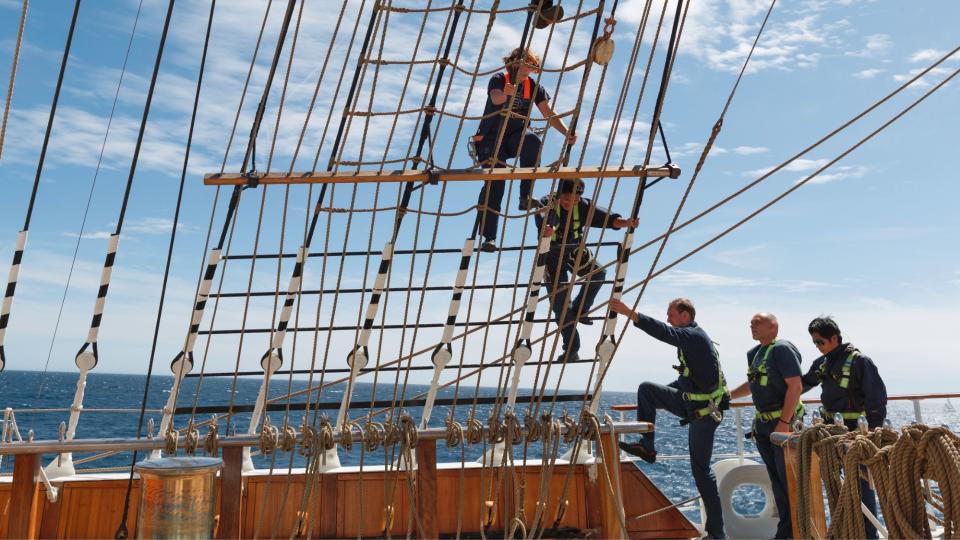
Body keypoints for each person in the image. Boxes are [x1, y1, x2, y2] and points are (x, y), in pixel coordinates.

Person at [609, 297, 728, 540]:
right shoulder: (692, 340)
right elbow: (686, 381)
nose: (668, 320)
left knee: (702, 472)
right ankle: (647, 446)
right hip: (695, 404)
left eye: (671, 315)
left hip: (704, 411)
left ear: (685, 316)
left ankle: (718, 534)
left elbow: (663, 332)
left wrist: (631, 314)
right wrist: (658, 397)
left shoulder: (693, 337)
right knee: (649, 392)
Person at [474, 47, 576, 253]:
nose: (526, 68)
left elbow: (548, 112)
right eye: (523, 63)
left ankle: (524, 196)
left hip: (514, 137)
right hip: (492, 139)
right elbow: (495, 98)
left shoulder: (534, 87)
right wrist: (505, 94)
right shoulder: (499, 78)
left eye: (530, 65)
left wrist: (566, 132)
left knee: (532, 140)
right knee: (496, 184)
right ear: (512, 62)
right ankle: (489, 237)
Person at [801, 316, 887, 539]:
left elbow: (876, 402)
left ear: (834, 338)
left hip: (857, 438)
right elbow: (802, 384)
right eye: (814, 343)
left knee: (861, 488)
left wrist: (869, 438)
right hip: (831, 437)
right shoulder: (822, 364)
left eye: (820, 342)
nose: (818, 347)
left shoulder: (860, 362)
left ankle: (868, 536)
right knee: (837, 489)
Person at [536, 179, 636, 360]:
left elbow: (609, 219)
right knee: (560, 307)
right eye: (566, 200)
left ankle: (581, 309)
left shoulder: (583, 206)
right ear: (559, 195)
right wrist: (546, 230)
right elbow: (542, 224)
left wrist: (626, 222)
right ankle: (571, 349)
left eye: (574, 200)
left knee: (598, 274)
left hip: (574, 249)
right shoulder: (545, 203)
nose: (570, 203)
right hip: (551, 254)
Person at [729, 313, 804, 539]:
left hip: (782, 425)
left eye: (756, 322)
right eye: (750, 323)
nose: (751, 325)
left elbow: (796, 386)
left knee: (789, 483)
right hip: (764, 426)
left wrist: (783, 423)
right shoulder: (757, 354)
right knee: (778, 484)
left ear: (773, 326)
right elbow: (753, 384)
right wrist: (729, 396)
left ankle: (794, 534)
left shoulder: (781, 350)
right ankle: (786, 533)